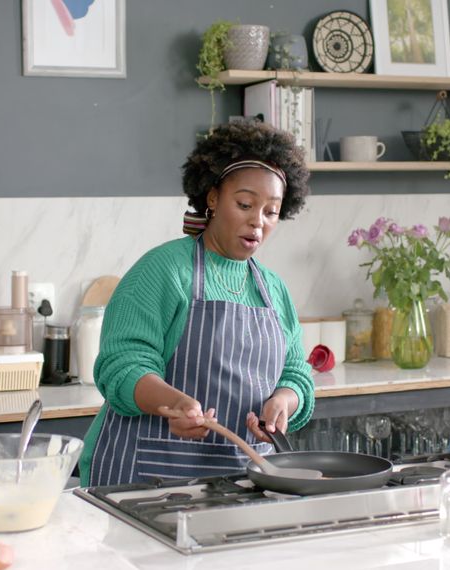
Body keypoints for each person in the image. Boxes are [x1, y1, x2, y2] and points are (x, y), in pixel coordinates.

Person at [79, 120, 316, 486]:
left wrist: (284, 401)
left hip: (241, 482)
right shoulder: (164, 269)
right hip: (145, 480)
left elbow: (295, 373)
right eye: (245, 204)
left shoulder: (274, 290)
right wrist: (172, 403)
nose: (257, 222)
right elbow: (121, 365)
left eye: (271, 211)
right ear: (212, 197)